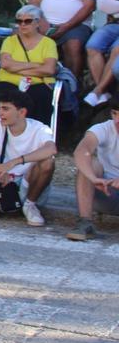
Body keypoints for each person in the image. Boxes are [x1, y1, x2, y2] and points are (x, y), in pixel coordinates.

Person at [0, 88, 55, 227]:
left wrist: (13, 163)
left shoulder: (39, 129)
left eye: (5, 109)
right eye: (0, 108)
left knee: (48, 161)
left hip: (27, 185)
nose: (0, 113)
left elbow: (51, 149)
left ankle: (30, 205)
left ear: (22, 112)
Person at [0, 4, 58, 126]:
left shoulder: (48, 43)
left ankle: (37, 133)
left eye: (27, 21)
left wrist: (15, 68)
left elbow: (49, 69)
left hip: (37, 83)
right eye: (19, 21)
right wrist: (36, 65)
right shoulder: (10, 41)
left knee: (41, 96)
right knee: (6, 95)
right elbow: (5, 64)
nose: (23, 24)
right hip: (9, 82)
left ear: (37, 23)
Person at [67, 97, 119, 240]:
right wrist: (93, 178)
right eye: (115, 113)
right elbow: (82, 150)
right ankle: (85, 222)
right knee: (90, 164)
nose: (117, 120)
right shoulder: (103, 128)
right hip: (107, 191)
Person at [84, 0, 119, 107]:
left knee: (116, 50)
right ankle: (102, 92)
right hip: (112, 25)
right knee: (92, 46)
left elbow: (109, 5)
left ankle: (97, 91)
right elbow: (102, 5)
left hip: (114, 20)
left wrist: (114, 7)